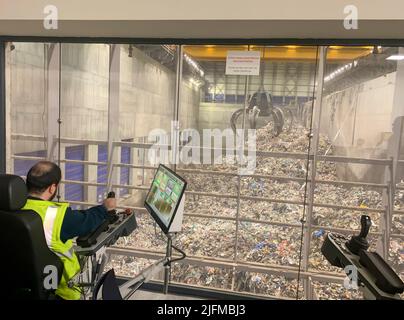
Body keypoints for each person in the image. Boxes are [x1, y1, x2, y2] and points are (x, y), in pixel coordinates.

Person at [22, 161, 116, 300]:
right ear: (52, 188)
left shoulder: (12, 208)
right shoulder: (55, 216)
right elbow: (86, 221)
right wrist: (104, 208)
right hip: (61, 291)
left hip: (23, 285)